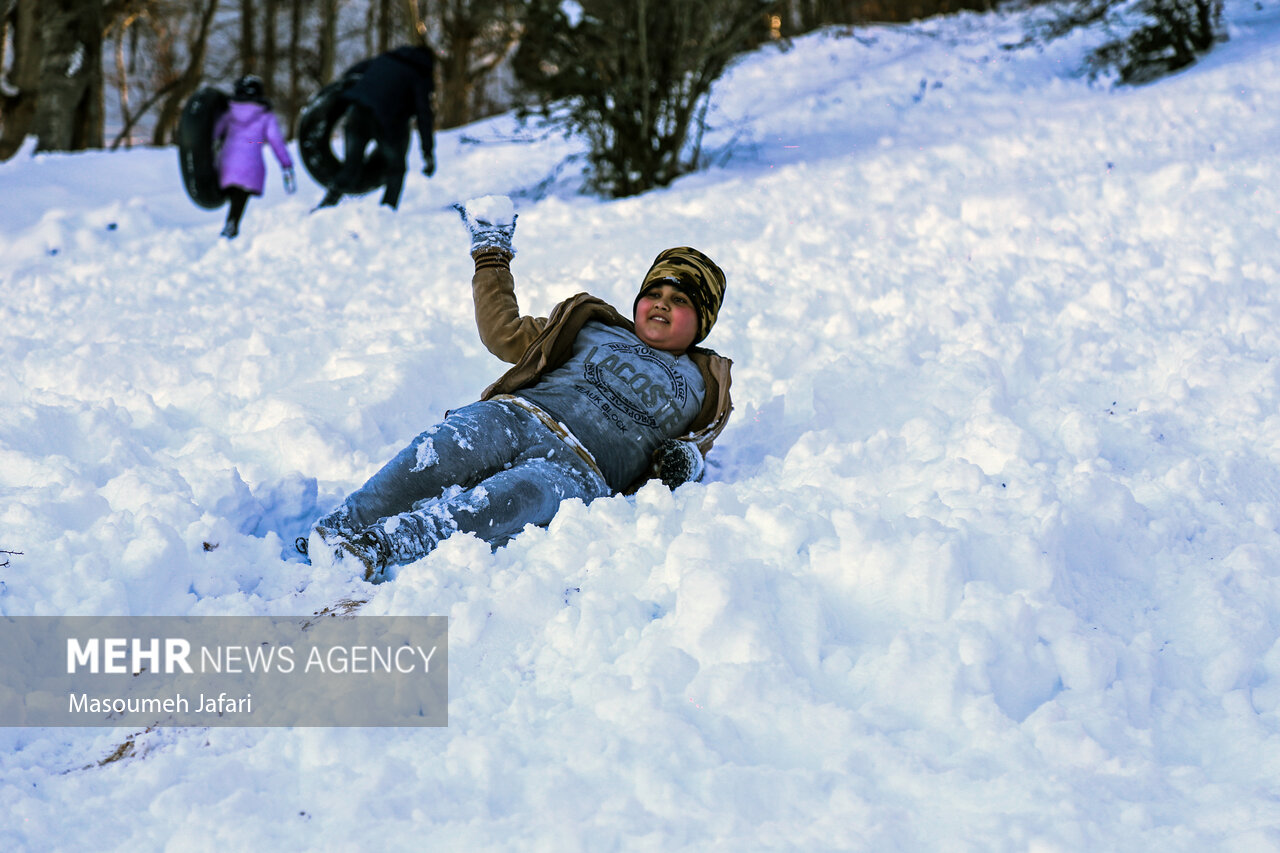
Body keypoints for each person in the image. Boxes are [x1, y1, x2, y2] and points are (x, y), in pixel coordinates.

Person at [305, 197, 733, 581]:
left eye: (680, 301)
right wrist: (491, 255)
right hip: (516, 415)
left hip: (579, 471)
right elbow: (503, 332)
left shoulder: (703, 384)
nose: (661, 303)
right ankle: (337, 530)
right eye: (654, 292)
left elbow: (696, 448)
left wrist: (687, 461)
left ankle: (385, 546)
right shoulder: (592, 327)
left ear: (703, 321)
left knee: (508, 501)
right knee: (440, 452)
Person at [316, 43, 436, 210]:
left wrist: (329, 100)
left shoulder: (385, 58)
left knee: (352, 165)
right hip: (388, 123)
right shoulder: (420, 74)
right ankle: (386, 211)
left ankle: (326, 205)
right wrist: (428, 151)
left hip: (357, 113)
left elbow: (351, 74)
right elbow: (424, 115)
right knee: (396, 169)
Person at [213, 75, 295, 239]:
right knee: (241, 195)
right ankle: (232, 224)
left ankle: (230, 225)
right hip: (251, 163)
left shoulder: (228, 112)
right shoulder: (265, 115)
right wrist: (286, 164)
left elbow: (215, 133)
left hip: (227, 161)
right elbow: (276, 141)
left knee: (233, 192)